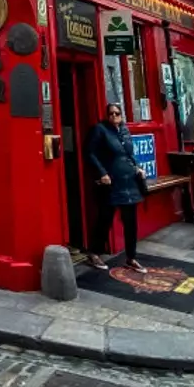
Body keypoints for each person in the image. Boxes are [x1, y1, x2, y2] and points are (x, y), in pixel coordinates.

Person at [84, 103, 145, 272]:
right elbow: (90, 152)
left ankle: (131, 258)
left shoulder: (125, 131)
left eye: (117, 113)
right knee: (105, 218)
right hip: (111, 183)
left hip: (129, 182)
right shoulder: (100, 130)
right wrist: (102, 173)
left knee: (131, 222)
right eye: (111, 113)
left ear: (122, 115)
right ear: (106, 115)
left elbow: (130, 154)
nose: (114, 116)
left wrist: (137, 167)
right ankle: (94, 253)